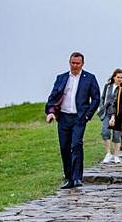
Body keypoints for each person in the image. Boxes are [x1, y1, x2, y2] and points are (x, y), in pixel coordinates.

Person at [45, 52, 100, 189]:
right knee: (64, 147)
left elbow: (96, 98)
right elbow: (53, 97)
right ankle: (68, 177)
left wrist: (87, 115)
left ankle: (77, 178)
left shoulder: (89, 78)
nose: (74, 66)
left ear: (82, 64)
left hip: (79, 118)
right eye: (72, 63)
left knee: (76, 145)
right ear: (69, 62)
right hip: (63, 117)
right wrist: (51, 112)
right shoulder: (62, 78)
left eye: (77, 63)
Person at [97, 68, 122, 164]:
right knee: (105, 132)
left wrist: (114, 116)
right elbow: (103, 97)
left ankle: (116, 155)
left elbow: (118, 103)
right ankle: (108, 153)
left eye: (121, 77)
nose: (120, 79)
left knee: (117, 135)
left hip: (117, 114)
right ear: (114, 77)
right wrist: (100, 108)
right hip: (106, 112)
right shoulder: (108, 86)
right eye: (118, 77)